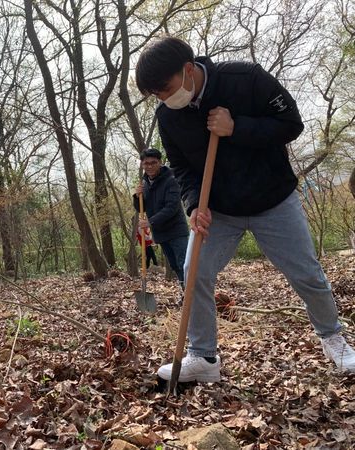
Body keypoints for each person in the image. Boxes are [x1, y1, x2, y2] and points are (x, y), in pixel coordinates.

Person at [134, 36, 355, 382]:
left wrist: (237, 127)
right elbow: (181, 168)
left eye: (166, 88)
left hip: (273, 200)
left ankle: (333, 338)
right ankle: (203, 356)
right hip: (220, 209)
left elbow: (291, 123)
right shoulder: (168, 116)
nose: (163, 98)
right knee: (195, 271)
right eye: (156, 95)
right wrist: (194, 205)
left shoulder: (245, 78)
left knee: (306, 273)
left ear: (188, 69)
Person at [134, 148, 188, 291]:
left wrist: (150, 222)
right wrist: (137, 196)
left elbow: (171, 208)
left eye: (153, 163)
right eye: (146, 163)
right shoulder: (145, 183)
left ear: (160, 162)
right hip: (161, 232)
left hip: (176, 230)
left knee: (184, 264)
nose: (150, 166)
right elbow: (141, 209)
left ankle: (193, 295)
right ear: (142, 165)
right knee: (175, 265)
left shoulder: (171, 180)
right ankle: (185, 292)